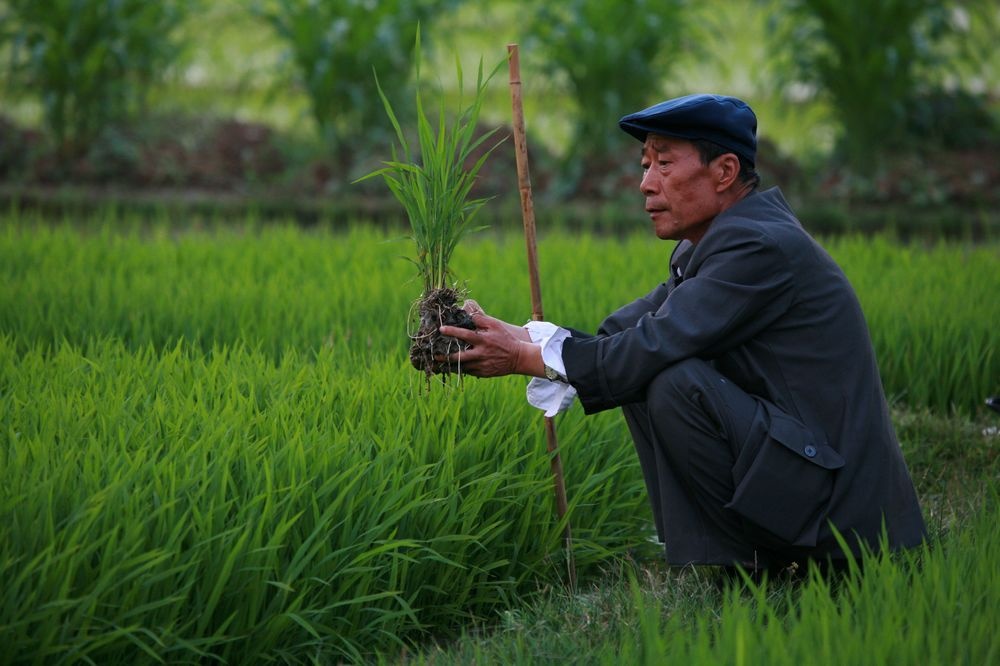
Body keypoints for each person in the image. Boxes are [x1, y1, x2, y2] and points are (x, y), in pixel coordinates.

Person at [439, 94, 926, 571]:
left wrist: (523, 359)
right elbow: (621, 335)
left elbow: (652, 345)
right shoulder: (712, 245)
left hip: (845, 517)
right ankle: (737, 556)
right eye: (645, 164)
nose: (646, 184)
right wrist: (521, 338)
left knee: (669, 381)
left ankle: (757, 561)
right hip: (814, 475)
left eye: (664, 164)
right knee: (638, 368)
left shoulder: (756, 246)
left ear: (725, 172)